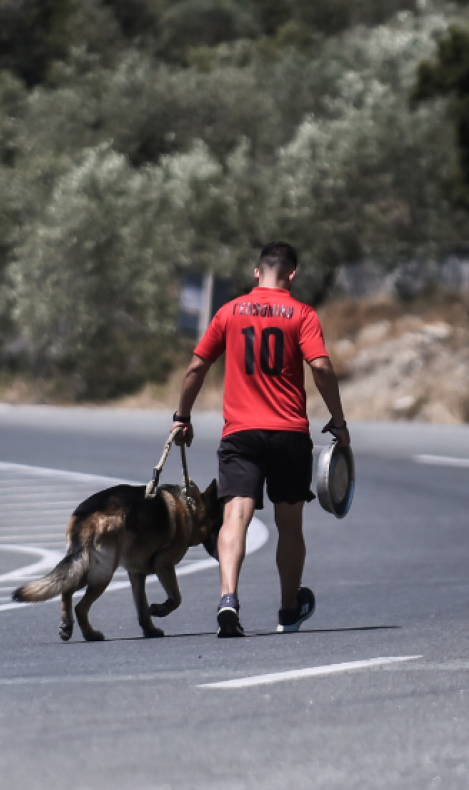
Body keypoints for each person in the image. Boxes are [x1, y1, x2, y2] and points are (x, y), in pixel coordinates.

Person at [171, 242, 351, 638]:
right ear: (292, 274)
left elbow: (197, 366)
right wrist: (338, 421)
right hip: (289, 433)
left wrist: (181, 417)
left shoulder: (229, 312)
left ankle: (228, 600)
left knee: (235, 516)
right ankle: (288, 611)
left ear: (257, 273)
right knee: (290, 524)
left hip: (241, 433)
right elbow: (320, 366)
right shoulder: (302, 314)